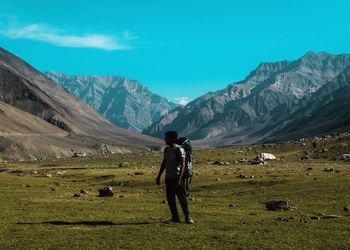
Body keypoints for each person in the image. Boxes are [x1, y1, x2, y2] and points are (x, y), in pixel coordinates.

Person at [156, 131, 194, 224]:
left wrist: (179, 179)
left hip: (177, 178)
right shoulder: (167, 150)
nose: (165, 140)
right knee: (170, 198)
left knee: (182, 198)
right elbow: (164, 163)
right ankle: (175, 217)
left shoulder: (179, 150)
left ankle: (187, 217)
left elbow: (183, 165)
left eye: (167, 138)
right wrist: (159, 175)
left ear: (172, 139)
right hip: (168, 178)